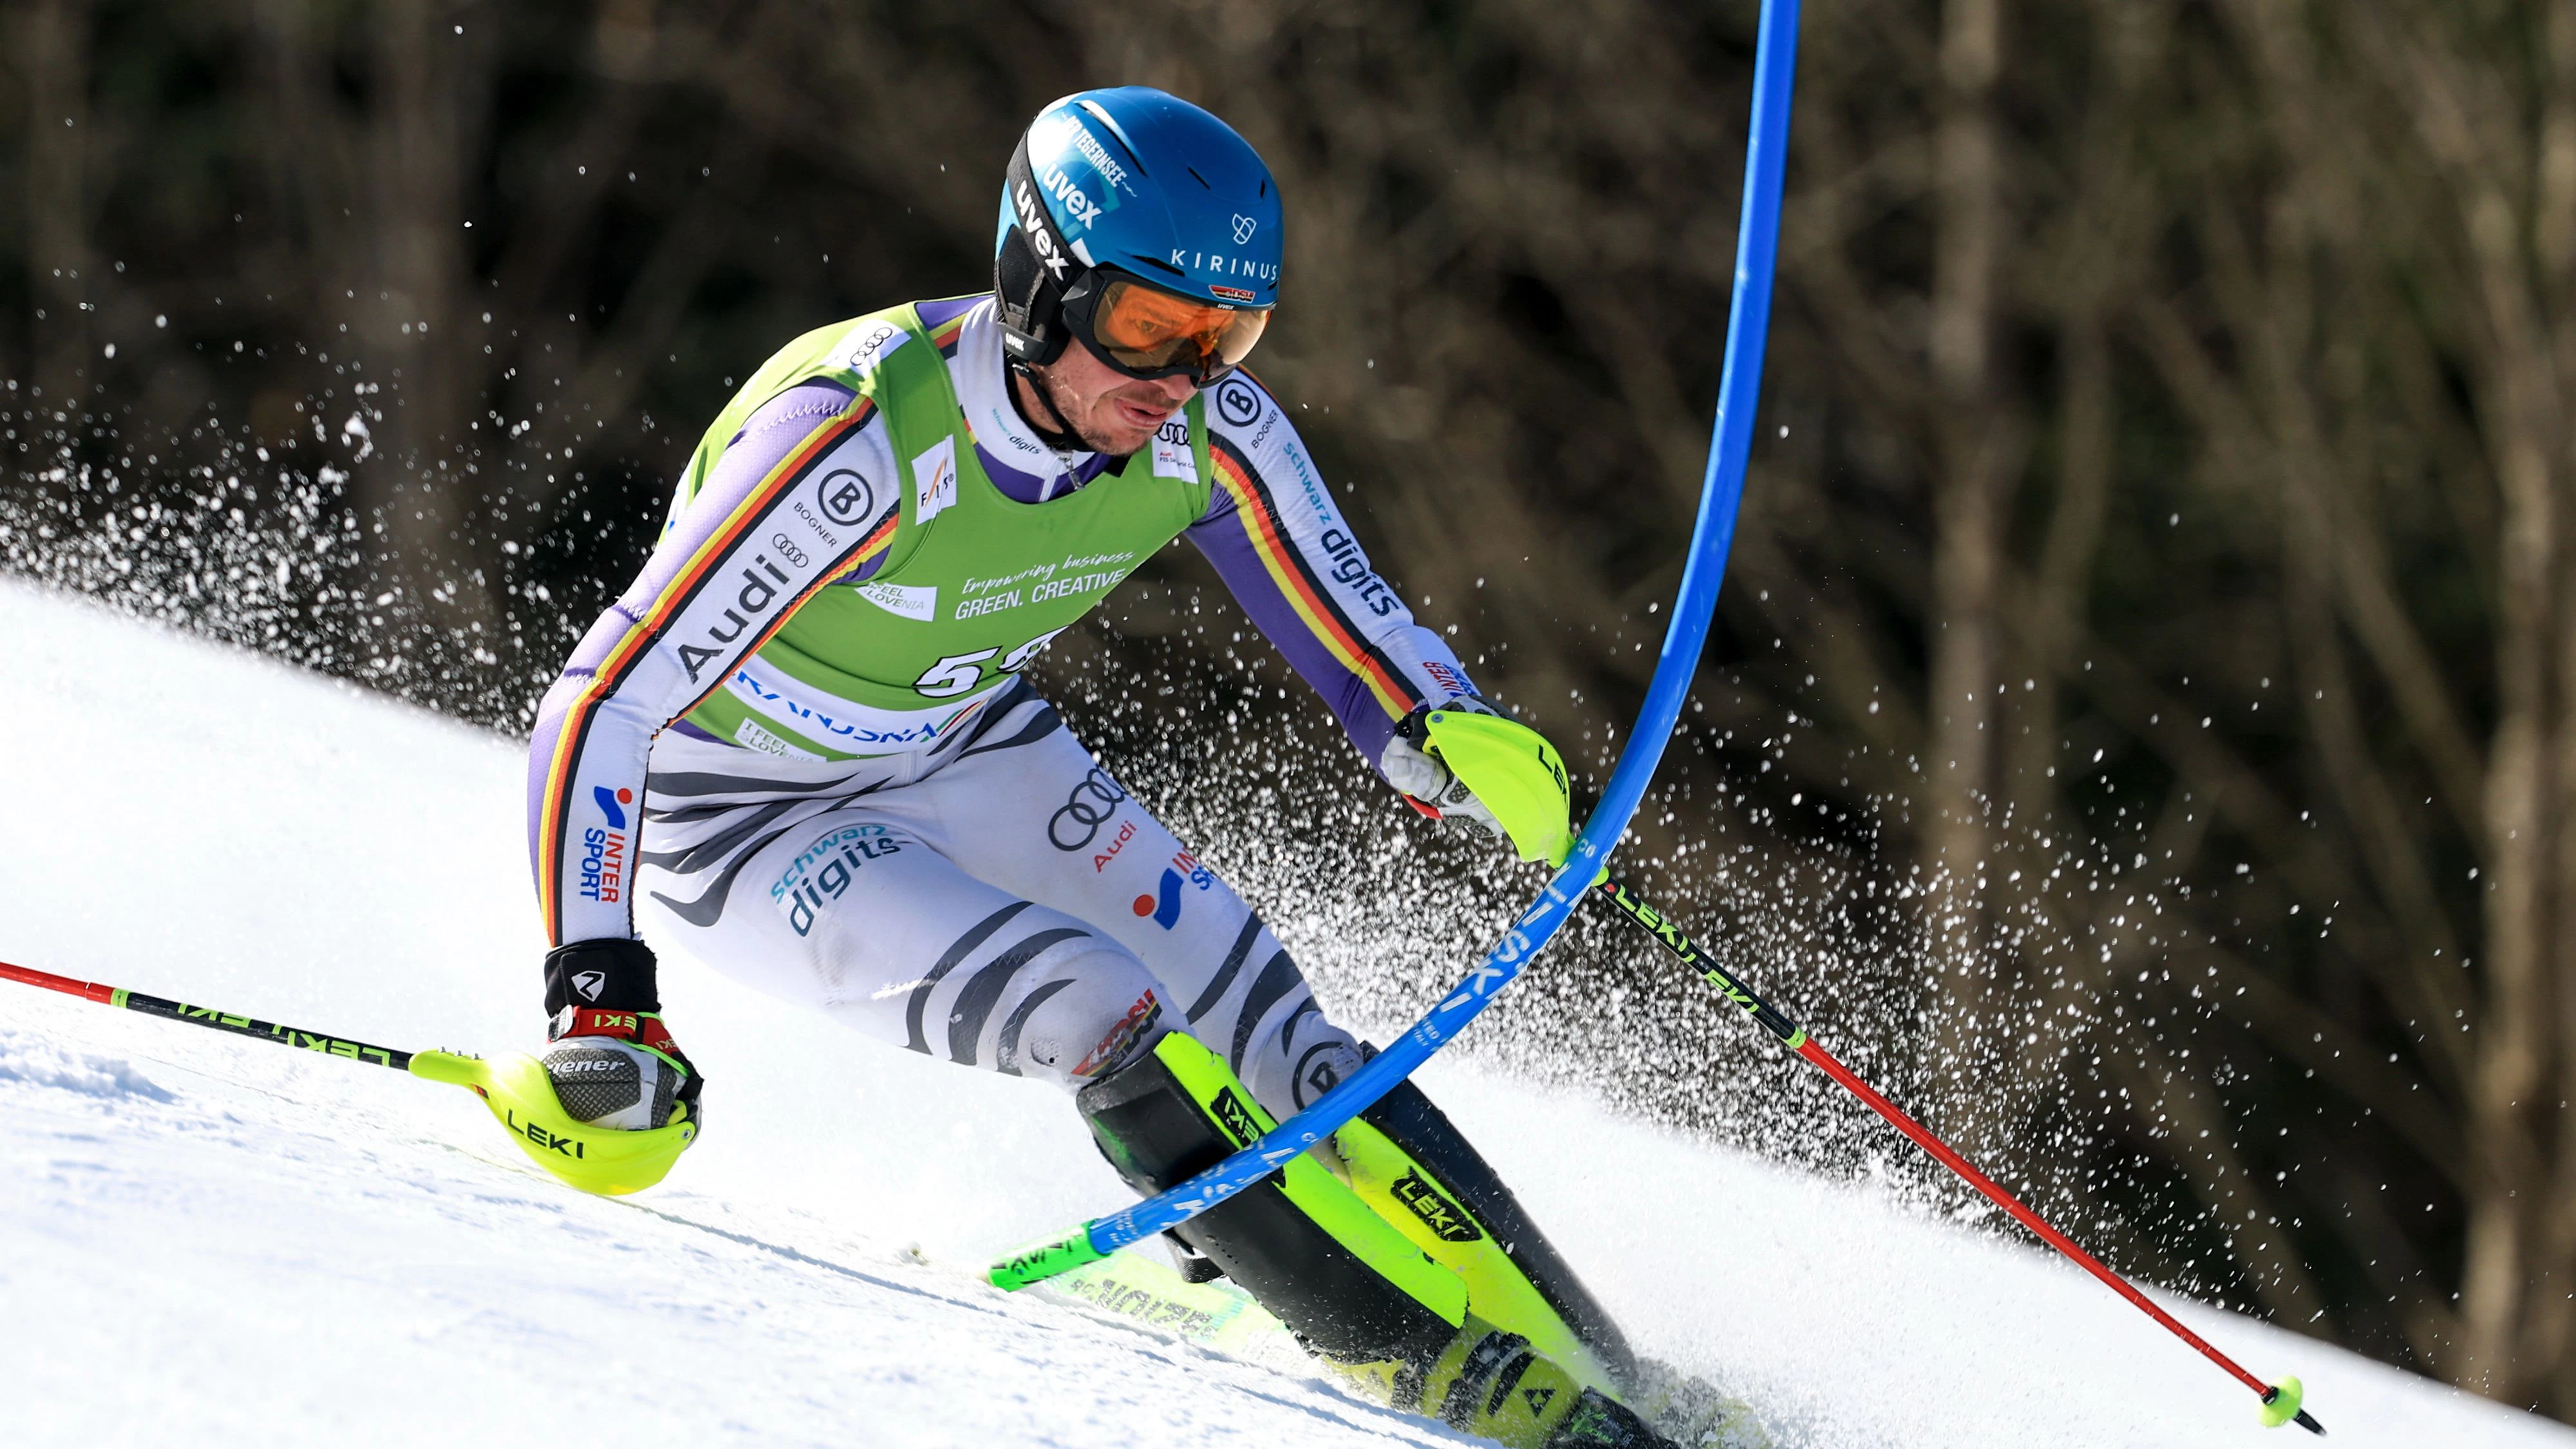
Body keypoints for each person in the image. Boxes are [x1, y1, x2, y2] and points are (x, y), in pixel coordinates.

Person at [522, 86, 1674, 1449]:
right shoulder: (855, 443)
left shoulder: (1206, 430)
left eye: (1223, 336)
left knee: (1292, 1049)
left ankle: (1605, 1368)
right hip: (742, 819)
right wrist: (597, 990)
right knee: (1098, 1004)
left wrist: (1453, 741)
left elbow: (1363, 646)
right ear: (1037, 276)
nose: (1179, 380)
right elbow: (602, 701)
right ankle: (1433, 1376)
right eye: (1146, 327)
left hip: (957, 743)